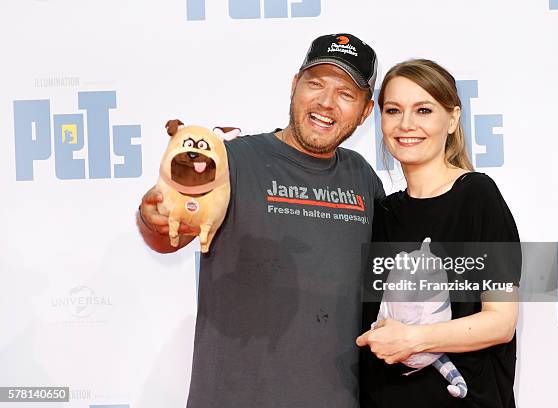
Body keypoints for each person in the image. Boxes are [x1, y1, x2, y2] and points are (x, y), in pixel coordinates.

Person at [137, 33, 385, 407]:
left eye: (346, 94)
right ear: (293, 85)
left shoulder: (363, 178)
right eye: (315, 84)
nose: (325, 102)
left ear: (366, 112)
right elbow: (167, 230)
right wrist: (152, 217)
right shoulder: (232, 160)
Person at [357, 59, 521, 408]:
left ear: (453, 119)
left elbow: (501, 322)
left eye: (424, 110)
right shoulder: (382, 212)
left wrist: (414, 339)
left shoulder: (478, 196)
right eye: (393, 110)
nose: (406, 124)